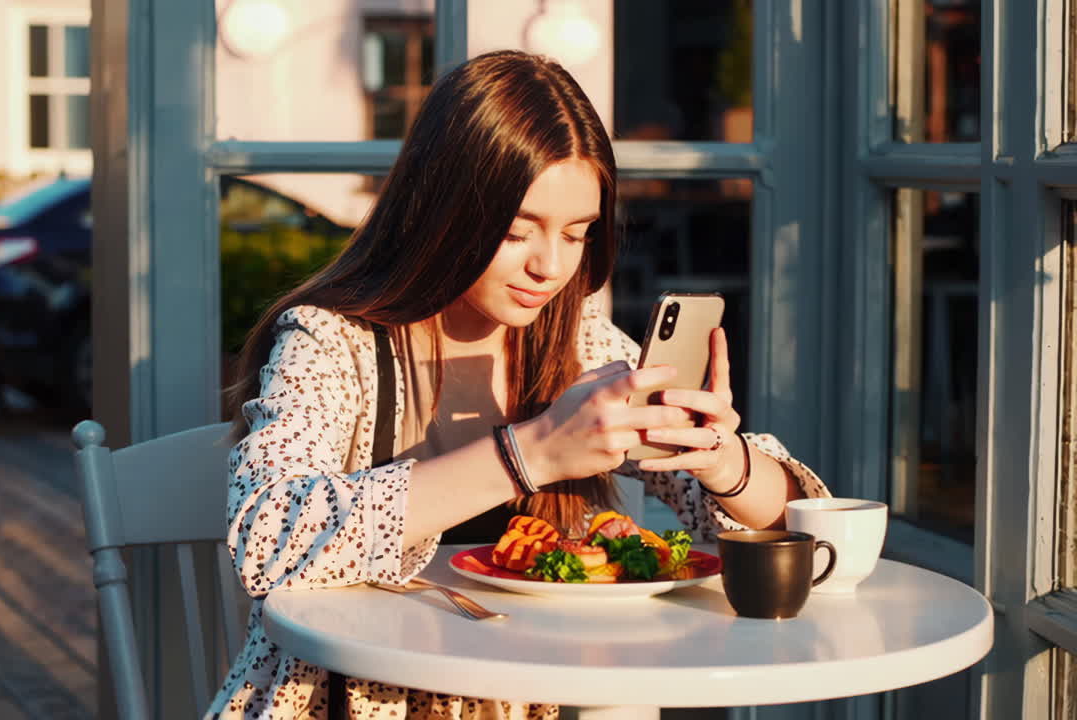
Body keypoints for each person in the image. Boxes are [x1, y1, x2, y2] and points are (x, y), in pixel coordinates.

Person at [206, 50, 829, 720]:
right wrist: (531, 452)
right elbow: (267, 540)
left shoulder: (574, 340)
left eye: (578, 234)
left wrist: (722, 460)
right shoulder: (332, 342)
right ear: (442, 208)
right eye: (516, 232)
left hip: (522, 698)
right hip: (343, 700)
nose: (551, 266)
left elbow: (799, 526)